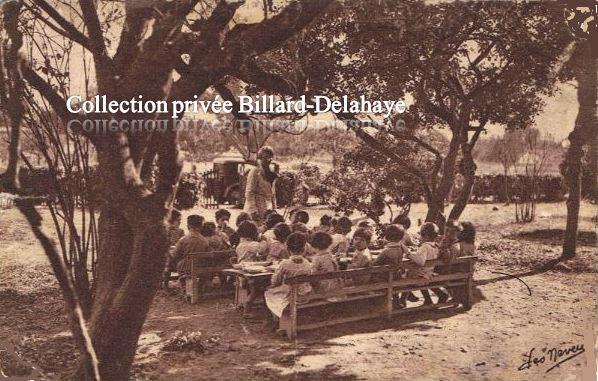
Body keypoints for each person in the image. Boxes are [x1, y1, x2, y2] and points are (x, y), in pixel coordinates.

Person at [264, 232, 313, 324]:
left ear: (287, 248)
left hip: (289, 297)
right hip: (304, 295)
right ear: (304, 249)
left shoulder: (285, 264)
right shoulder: (307, 263)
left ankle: (276, 320)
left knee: (268, 292)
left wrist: (272, 284)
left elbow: (275, 281)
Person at [398, 222, 441, 306]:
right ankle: (427, 299)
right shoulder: (436, 246)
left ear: (426, 236)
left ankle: (402, 300)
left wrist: (408, 253)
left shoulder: (425, 246)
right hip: (429, 273)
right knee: (412, 273)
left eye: (421, 235)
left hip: (422, 276)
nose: (420, 238)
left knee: (405, 275)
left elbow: (420, 261)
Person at [170, 215, 209, 290]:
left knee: (174, 261)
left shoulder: (183, 240)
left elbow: (175, 255)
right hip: (201, 266)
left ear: (188, 226)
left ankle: (184, 287)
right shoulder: (204, 240)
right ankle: (198, 287)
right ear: (201, 226)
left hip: (185, 268)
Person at [244, 146, 277, 223]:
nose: (268, 160)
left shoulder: (270, 172)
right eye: (265, 157)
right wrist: (253, 211)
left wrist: (274, 208)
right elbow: (249, 192)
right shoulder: (255, 171)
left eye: (270, 158)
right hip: (255, 207)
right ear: (260, 158)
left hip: (267, 208)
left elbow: (273, 193)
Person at [162, 209, 185, 288]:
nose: (180, 222)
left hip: (177, 255)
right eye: (178, 220)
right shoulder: (165, 230)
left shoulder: (180, 231)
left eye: (180, 220)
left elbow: (183, 244)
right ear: (172, 221)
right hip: (166, 256)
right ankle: (165, 284)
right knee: (168, 258)